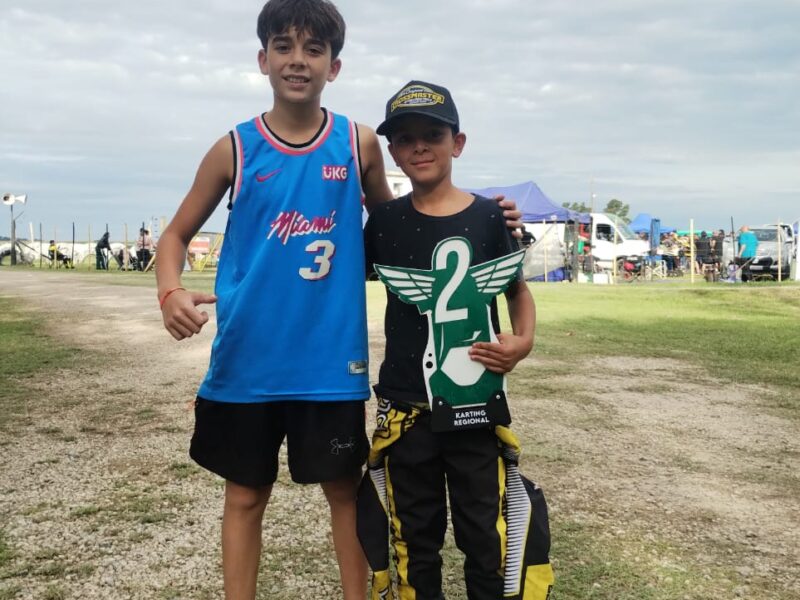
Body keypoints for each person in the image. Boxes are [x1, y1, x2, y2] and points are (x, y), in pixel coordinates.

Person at [155, 3, 522, 599]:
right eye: (283, 46)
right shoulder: (235, 148)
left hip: (330, 365)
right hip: (247, 361)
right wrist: (170, 290)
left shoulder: (358, 143)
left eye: (314, 49)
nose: (298, 60)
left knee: (346, 494)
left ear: (335, 65)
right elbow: (173, 236)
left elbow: (403, 227)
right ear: (263, 59)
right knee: (245, 495)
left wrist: (484, 215)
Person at [357, 81, 553, 600]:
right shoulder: (383, 222)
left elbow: (517, 291)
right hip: (406, 410)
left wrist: (523, 342)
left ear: (457, 143)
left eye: (433, 134)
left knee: (485, 537)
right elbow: (339, 282)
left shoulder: (490, 217)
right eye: (405, 138)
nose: (419, 146)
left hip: (475, 406)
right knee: (413, 541)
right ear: (392, 152)